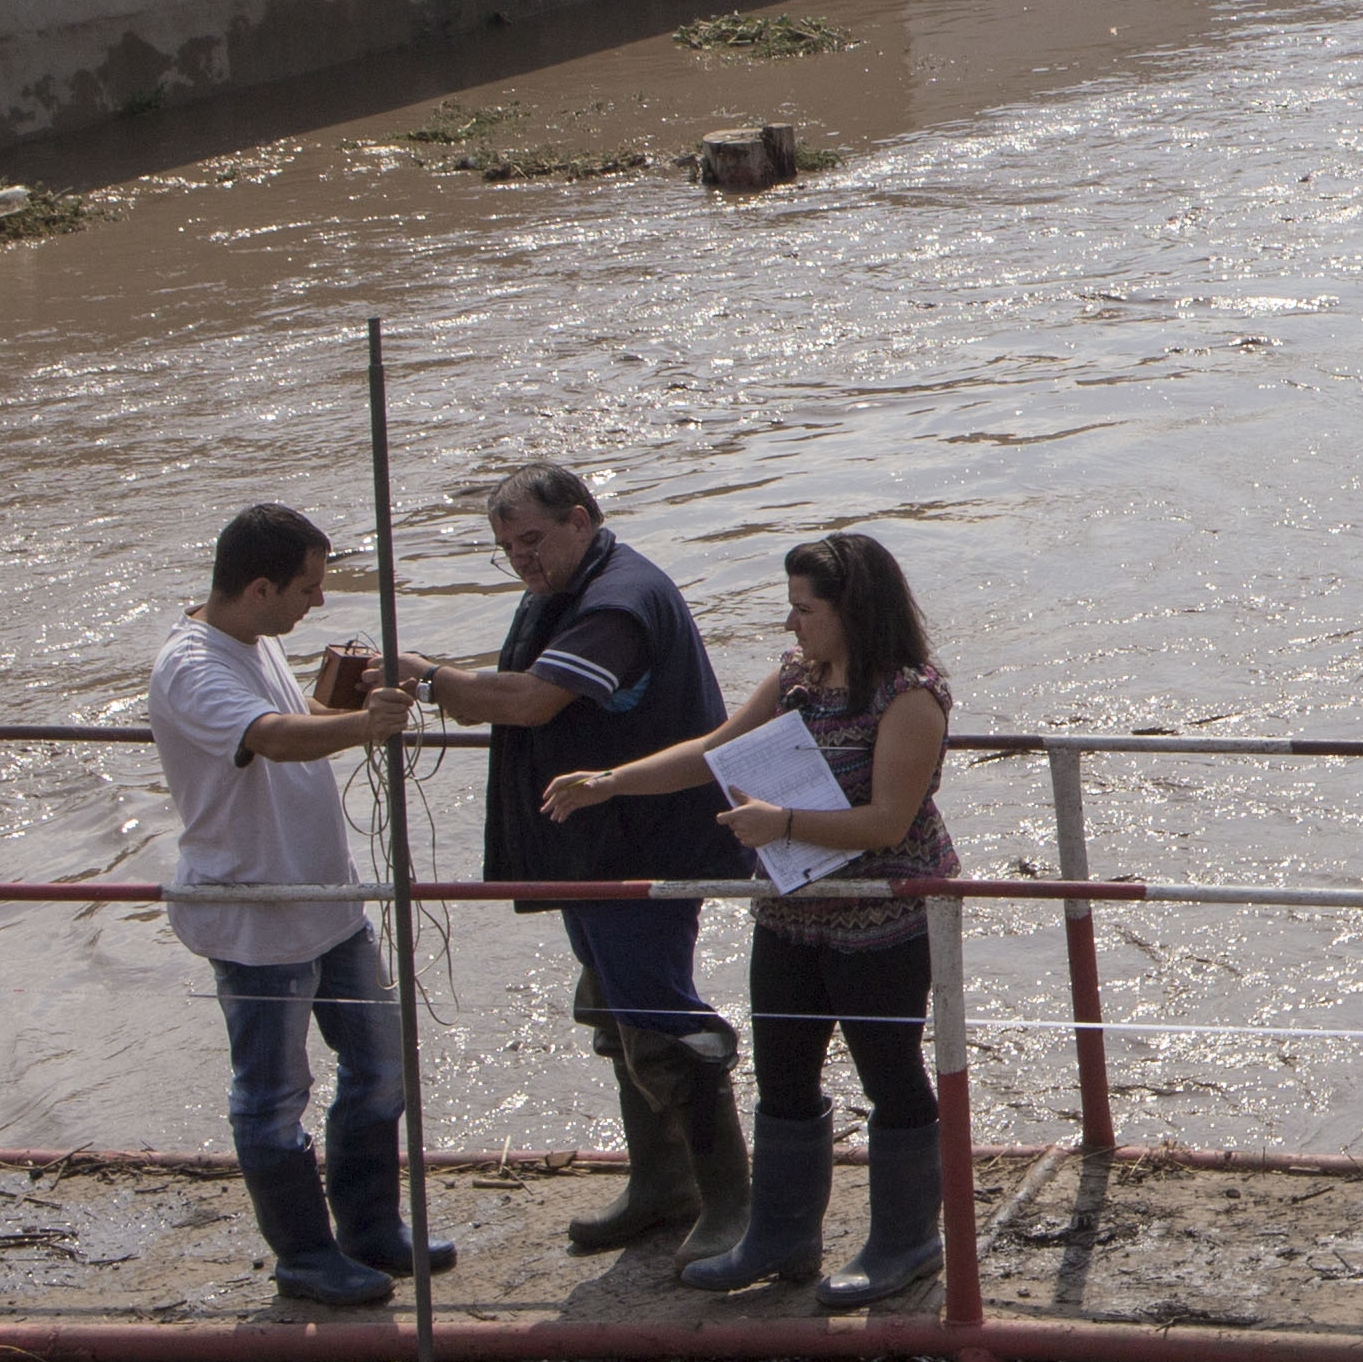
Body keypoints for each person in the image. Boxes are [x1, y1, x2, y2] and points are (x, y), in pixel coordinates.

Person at [550, 529, 961, 1311]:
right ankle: (781, 1235)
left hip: (883, 914)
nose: (791, 625)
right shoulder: (798, 678)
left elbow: (886, 821)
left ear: (854, 611)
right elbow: (713, 750)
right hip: (793, 910)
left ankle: (907, 1242)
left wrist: (782, 824)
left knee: (890, 1075)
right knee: (782, 1072)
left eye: (804, 609)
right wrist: (611, 782)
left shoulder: (909, 694)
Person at [405, 463, 743, 1265]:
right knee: (611, 1008)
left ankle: (732, 1200)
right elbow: (515, 688)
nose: (523, 558)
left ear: (582, 521)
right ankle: (664, 1185)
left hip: (645, 844)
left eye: (533, 540)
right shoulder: (564, 587)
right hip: (590, 846)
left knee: (661, 1020)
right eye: (507, 548)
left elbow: (529, 701)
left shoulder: (618, 601)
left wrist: (424, 679)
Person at [145, 502, 452, 1307]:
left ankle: (370, 1229)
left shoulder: (254, 639)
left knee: (383, 1067)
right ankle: (305, 1257)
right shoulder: (193, 665)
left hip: (326, 899)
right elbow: (269, 736)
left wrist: (346, 704)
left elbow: (294, 717)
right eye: (307, 589)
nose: (317, 602)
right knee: (273, 1097)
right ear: (257, 588)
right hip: (258, 910)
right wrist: (361, 725)